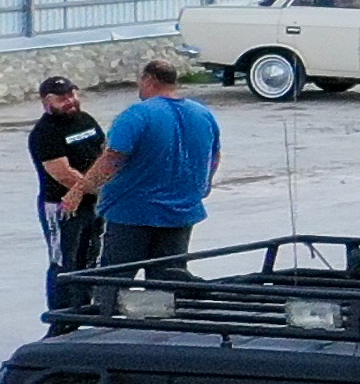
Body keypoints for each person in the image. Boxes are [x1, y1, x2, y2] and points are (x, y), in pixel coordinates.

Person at [85, 56, 223, 272]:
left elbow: (113, 158)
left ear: (148, 80)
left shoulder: (136, 115)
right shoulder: (202, 114)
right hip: (180, 213)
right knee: (168, 280)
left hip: (131, 213)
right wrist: (204, 186)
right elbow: (214, 157)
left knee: (115, 279)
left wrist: (82, 189)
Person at [22, 73, 105, 307]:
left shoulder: (86, 120)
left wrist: (105, 189)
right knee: (63, 261)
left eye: (71, 95)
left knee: (91, 257)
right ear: (46, 102)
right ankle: (61, 314)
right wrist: (97, 190)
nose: (70, 101)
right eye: (62, 98)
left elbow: (105, 155)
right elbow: (63, 174)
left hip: (94, 202)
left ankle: (87, 306)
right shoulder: (44, 133)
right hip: (62, 207)